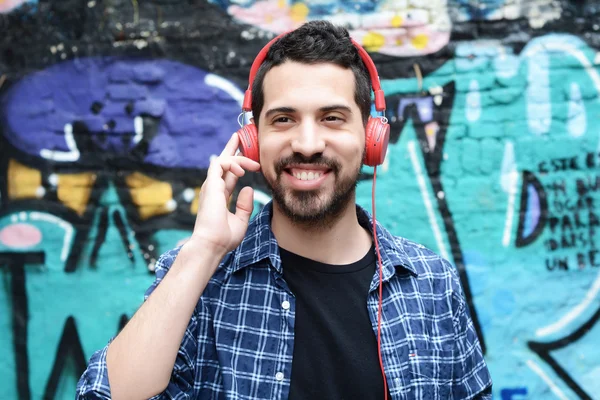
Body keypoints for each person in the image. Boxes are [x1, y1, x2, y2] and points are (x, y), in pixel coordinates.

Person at [77, 20, 492, 399]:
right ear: (252, 139)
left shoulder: (432, 285)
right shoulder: (199, 278)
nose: (307, 144)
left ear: (370, 138)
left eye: (332, 117)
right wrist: (203, 250)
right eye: (283, 119)